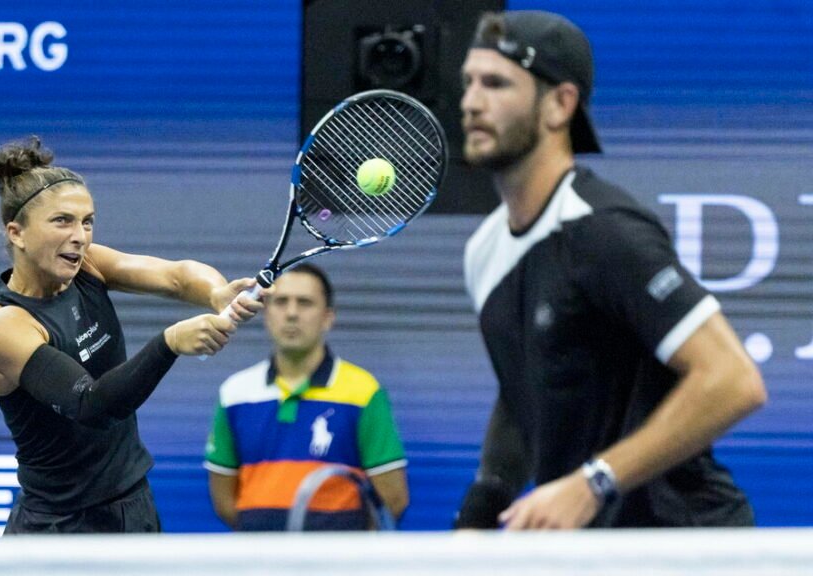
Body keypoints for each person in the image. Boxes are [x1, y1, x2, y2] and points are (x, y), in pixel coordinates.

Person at [455, 11, 767, 530]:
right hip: (590, 547)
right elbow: (520, 395)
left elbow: (733, 380)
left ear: (561, 104)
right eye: (468, 83)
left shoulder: (603, 231)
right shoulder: (484, 250)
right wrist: (477, 516)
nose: (470, 103)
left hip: (685, 543)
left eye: (496, 84)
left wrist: (593, 481)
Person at [0, 136, 265, 534]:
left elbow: (177, 277)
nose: (80, 235)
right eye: (62, 220)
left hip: (133, 506)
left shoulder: (88, 266)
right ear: (17, 233)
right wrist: (169, 344)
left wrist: (215, 291)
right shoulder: (3, 325)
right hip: (58, 528)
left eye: (87, 221)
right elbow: (91, 406)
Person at [204, 264, 408, 531]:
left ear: (327, 317)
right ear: (266, 313)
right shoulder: (235, 393)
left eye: (305, 303)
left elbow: (393, 499)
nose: (291, 313)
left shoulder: (364, 391)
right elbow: (224, 502)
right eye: (280, 302)